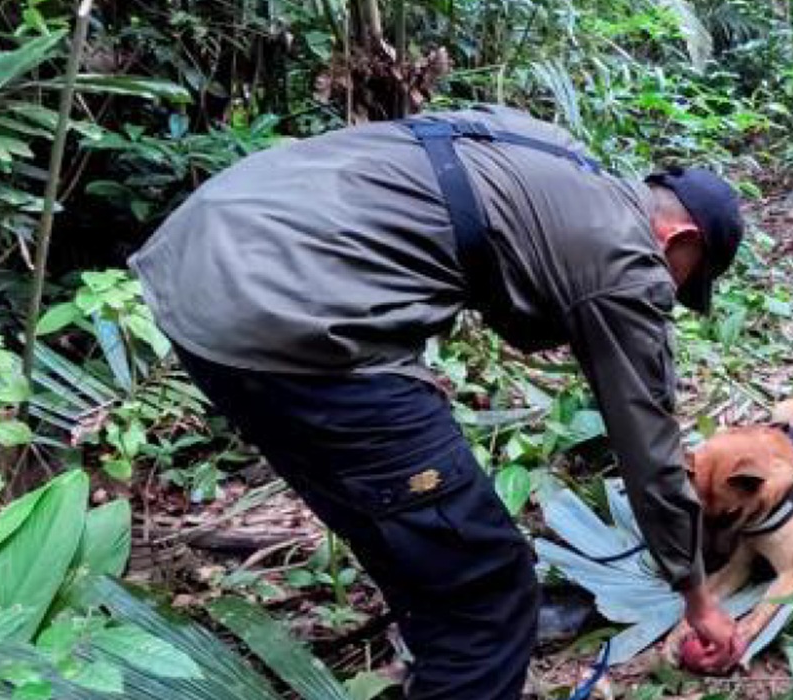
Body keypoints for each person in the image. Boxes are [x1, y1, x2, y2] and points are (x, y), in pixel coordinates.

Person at [129, 103, 744, 699]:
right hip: (292, 314)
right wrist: (696, 595)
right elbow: (649, 448)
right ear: (679, 236)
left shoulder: (550, 151)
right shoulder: (630, 260)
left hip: (198, 266)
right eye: (686, 277)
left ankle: (441, 659)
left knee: (417, 548)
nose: (670, 292)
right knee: (488, 597)